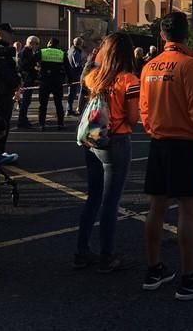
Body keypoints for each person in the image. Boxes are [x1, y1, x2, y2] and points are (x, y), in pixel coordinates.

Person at [140, 12, 193, 300]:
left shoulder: (148, 67)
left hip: (158, 143)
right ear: (186, 35)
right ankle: (189, 280)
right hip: (185, 145)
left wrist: (155, 129)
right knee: (188, 210)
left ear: (163, 36)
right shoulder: (190, 65)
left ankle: (154, 269)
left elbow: (144, 109)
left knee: (156, 207)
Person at [75, 32, 139, 273]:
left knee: (93, 197)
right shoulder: (129, 81)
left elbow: (86, 79)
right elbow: (133, 119)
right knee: (110, 202)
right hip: (116, 141)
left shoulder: (94, 78)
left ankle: (81, 251)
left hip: (91, 139)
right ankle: (107, 255)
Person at [0, 24, 21, 163]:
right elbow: (2, 71)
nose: (12, 36)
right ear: (1, 33)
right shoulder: (1, 51)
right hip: (1, 94)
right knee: (2, 124)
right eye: (10, 33)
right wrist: (15, 82)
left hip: (2, 92)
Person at [35, 38, 72, 131]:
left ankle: (41, 124)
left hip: (45, 81)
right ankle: (60, 124)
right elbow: (68, 68)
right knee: (58, 104)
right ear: (57, 45)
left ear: (50, 43)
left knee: (43, 104)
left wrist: (37, 71)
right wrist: (70, 80)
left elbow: (29, 62)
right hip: (57, 82)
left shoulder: (42, 52)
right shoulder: (61, 53)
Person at [17, 35, 40, 129]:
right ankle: (22, 120)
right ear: (32, 43)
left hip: (27, 79)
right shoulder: (26, 52)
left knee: (26, 101)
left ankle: (23, 119)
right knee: (25, 101)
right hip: (26, 79)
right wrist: (35, 69)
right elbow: (24, 66)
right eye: (37, 44)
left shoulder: (28, 52)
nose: (37, 46)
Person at [67, 37, 86, 116]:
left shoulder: (70, 50)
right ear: (80, 43)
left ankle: (69, 109)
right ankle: (70, 109)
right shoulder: (76, 52)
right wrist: (85, 60)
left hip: (71, 74)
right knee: (74, 93)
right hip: (75, 75)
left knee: (71, 93)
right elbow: (77, 64)